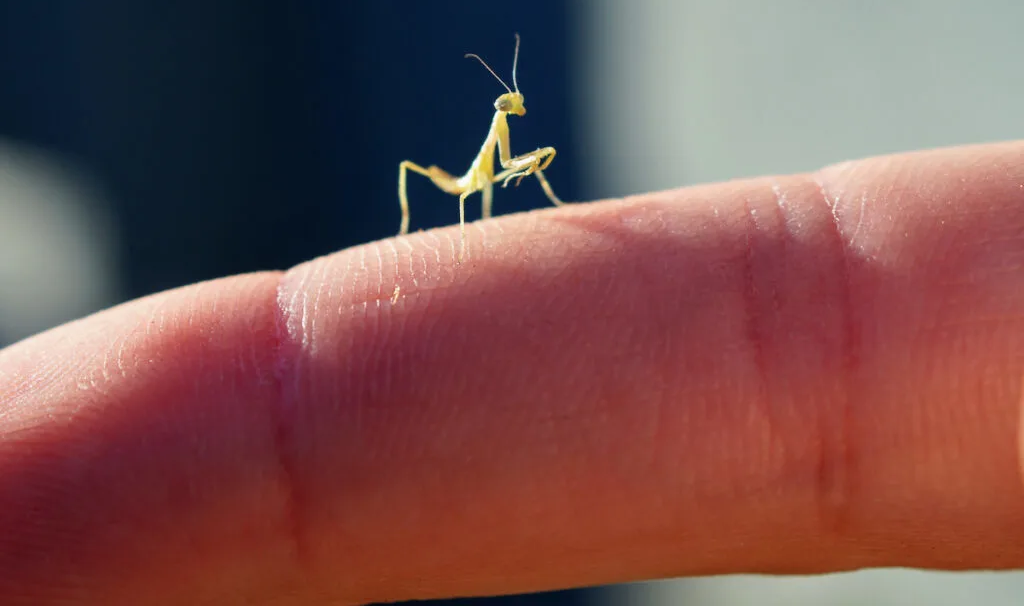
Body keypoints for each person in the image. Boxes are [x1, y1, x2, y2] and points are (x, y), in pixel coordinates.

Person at [1, 141, 1023, 605]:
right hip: (440, 214)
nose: (514, 111)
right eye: (509, 102)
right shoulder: (480, 158)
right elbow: (487, 179)